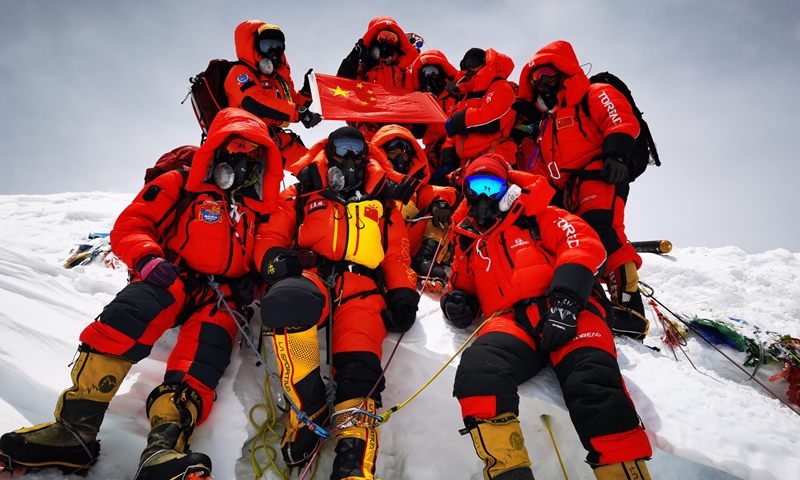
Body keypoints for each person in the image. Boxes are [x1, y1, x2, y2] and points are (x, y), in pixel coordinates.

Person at [0, 108, 284, 479]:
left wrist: (255, 281)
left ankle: (163, 450)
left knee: (200, 367)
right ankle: (73, 430)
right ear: (215, 149)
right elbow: (133, 223)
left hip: (222, 300)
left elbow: (265, 253)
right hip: (169, 276)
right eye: (235, 149)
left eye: (252, 155)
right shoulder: (181, 183)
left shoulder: (257, 211)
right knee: (124, 320)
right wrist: (148, 259)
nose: (242, 161)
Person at [440, 154, 653, 480]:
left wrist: (567, 301)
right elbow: (462, 283)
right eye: (475, 186)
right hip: (512, 320)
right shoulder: (470, 243)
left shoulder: (541, 215)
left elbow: (582, 244)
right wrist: (458, 302)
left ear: (507, 188)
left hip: (571, 309)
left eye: (491, 185)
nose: (483, 195)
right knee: (479, 369)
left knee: (592, 381)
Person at [255, 126, 420, 479]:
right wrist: (273, 261)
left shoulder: (383, 202)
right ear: (328, 152)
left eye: (355, 149)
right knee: (286, 302)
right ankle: (308, 409)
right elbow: (270, 235)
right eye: (340, 148)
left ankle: (353, 462)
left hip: (361, 286)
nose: (347, 157)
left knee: (360, 369)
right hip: (312, 273)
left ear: (366, 156)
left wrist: (404, 295)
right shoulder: (301, 192)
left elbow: (396, 255)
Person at [514, 40, 648, 340]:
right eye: (535, 79)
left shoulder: (595, 92)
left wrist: (616, 154)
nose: (542, 81)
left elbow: (619, 119)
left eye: (547, 71)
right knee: (580, 242)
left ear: (563, 70)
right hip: (568, 190)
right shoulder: (550, 121)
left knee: (604, 232)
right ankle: (599, 303)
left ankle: (632, 311)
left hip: (601, 172)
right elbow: (545, 166)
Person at [371, 124, 459, 290]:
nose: (399, 159)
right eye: (393, 153)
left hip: (407, 244)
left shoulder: (417, 188)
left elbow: (447, 193)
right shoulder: (370, 180)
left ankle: (425, 260)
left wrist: (441, 202)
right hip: (375, 243)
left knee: (441, 215)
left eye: (403, 154)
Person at [225, 20, 322, 167]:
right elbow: (256, 103)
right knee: (253, 185)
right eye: (267, 45)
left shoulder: (279, 79)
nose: (273, 51)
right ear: (255, 47)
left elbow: (292, 104)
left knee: (315, 169)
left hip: (275, 138)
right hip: (245, 141)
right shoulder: (240, 72)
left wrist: (307, 92)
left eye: (278, 46)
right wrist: (299, 113)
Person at [432, 48, 517, 186]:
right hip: (466, 166)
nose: (469, 68)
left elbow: (493, 119)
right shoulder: (463, 98)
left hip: (494, 159)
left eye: (474, 62)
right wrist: (449, 163)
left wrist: (457, 122)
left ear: (485, 63)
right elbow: (451, 137)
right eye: (464, 65)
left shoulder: (501, 86)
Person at [336, 16, 421, 140]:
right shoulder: (362, 67)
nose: (387, 42)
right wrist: (353, 59)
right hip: (368, 121)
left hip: (398, 124)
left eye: (392, 39)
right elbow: (342, 83)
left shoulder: (403, 72)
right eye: (383, 37)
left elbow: (413, 96)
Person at [405, 49, 462, 183]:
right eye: (425, 74)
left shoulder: (458, 94)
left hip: (456, 151)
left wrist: (459, 86)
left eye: (433, 72)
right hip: (430, 156)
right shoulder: (421, 101)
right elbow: (416, 133)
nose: (430, 77)